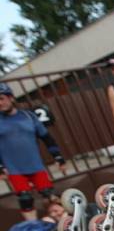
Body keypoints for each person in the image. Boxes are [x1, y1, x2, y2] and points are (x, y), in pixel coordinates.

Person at [0, 83, 66, 221]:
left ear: (11, 98)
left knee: (50, 196)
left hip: (36, 166)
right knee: (25, 198)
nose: (0, 103)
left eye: (1, 98)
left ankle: (62, 226)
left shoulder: (28, 116)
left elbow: (47, 138)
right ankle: (35, 228)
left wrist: (58, 157)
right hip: (14, 169)